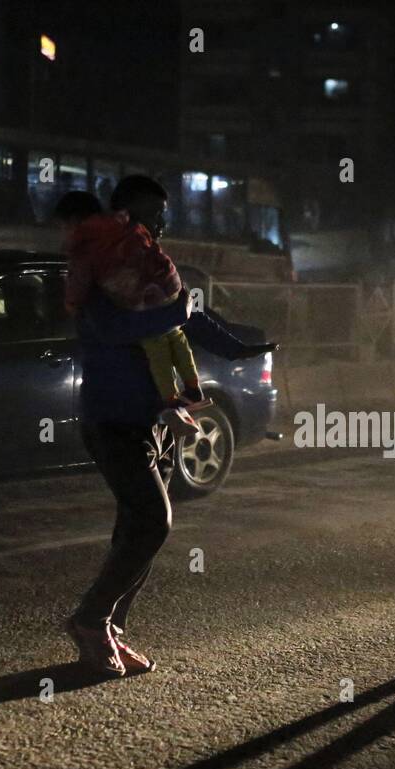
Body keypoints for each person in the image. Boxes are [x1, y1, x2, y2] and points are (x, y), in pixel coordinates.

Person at [65, 175, 274, 677]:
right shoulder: (97, 272)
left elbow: (188, 319)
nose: (159, 222)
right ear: (121, 215)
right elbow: (115, 329)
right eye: (148, 213)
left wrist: (237, 347)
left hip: (154, 419)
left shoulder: (151, 272)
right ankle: (91, 620)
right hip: (113, 419)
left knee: (134, 530)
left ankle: (109, 631)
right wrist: (177, 311)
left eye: (162, 213)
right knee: (154, 522)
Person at [57, 186, 205, 439]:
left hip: (119, 417)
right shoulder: (126, 229)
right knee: (176, 340)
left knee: (157, 345)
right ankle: (191, 389)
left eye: (60, 227)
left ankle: (171, 402)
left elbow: (113, 327)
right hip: (164, 288)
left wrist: (71, 303)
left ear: (71, 221)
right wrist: (179, 306)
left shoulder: (85, 250)